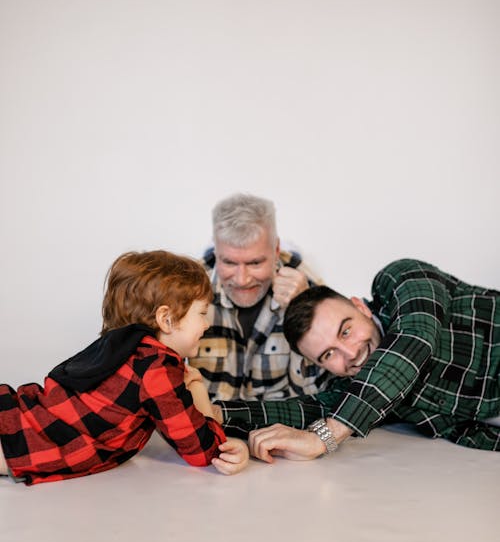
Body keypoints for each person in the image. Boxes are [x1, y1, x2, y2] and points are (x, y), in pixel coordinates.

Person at [0, 250, 249, 485]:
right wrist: (197, 390)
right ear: (166, 319)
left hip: (15, 416)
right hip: (20, 438)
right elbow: (204, 451)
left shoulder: (126, 351)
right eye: (202, 313)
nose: (206, 325)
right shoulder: (156, 366)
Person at [214, 258, 500, 459]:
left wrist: (323, 438)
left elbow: (415, 340)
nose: (351, 353)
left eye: (346, 330)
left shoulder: (400, 279)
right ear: (320, 365)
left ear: (360, 306)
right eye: (328, 354)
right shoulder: (360, 392)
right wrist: (216, 414)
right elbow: (304, 411)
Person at [189, 192, 329, 401]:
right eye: (229, 262)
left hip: (276, 426)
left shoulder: (308, 288)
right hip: (208, 426)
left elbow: (315, 395)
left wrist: (303, 312)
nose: (242, 280)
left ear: (276, 249)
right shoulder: (186, 292)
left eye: (255, 263)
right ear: (215, 250)